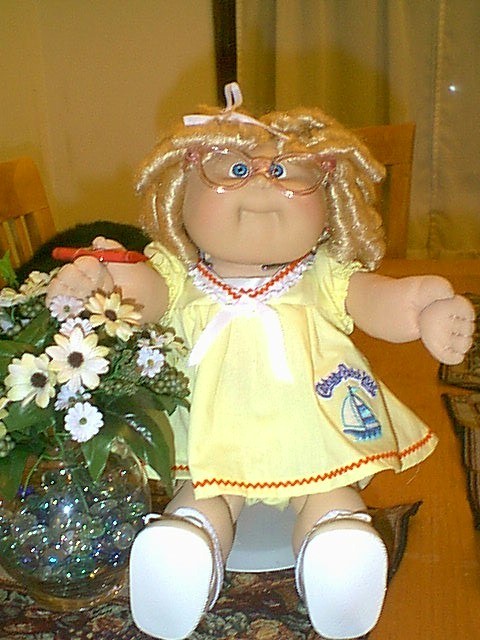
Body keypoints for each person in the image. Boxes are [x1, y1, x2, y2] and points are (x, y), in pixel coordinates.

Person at [46, 84, 474, 640]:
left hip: (311, 430)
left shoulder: (322, 273)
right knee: (206, 495)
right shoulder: (179, 275)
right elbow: (141, 296)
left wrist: (422, 309)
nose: (263, 184)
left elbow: (377, 299)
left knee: (329, 491)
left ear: (331, 202)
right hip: (212, 435)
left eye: (289, 173)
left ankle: (336, 550)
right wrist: (103, 279)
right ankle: (186, 552)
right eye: (235, 170)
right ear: (181, 190)